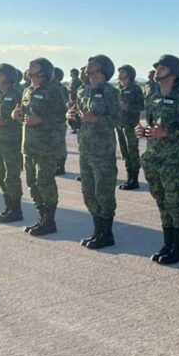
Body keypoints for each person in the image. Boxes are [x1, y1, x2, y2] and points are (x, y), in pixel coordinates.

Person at [140, 54, 179, 265]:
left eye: (162, 68)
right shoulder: (153, 97)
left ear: (173, 72)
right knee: (161, 201)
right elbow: (153, 127)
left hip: (171, 159)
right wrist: (143, 131)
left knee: (175, 202)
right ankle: (168, 243)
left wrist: (167, 133)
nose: (157, 71)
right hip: (153, 157)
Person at [68, 55, 121, 249]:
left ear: (103, 71)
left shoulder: (111, 92)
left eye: (93, 66)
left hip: (103, 150)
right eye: (88, 66)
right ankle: (97, 230)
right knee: (88, 192)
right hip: (85, 148)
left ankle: (106, 233)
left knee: (104, 191)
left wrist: (97, 119)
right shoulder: (83, 91)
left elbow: (117, 119)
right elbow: (81, 117)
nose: (88, 69)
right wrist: (73, 118)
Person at [13, 57, 64, 237]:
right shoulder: (27, 90)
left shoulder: (53, 91)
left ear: (42, 71)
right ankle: (41, 217)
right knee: (32, 182)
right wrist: (16, 114)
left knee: (45, 182)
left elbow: (61, 118)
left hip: (46, 146)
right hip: (29, 144)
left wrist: (41, 120)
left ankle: (50, 221)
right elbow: (26, 112)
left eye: (32, 65)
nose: (28, 67)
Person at [0, 63, 24, 222]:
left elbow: (23, 118)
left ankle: (16, 210)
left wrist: (6, 121)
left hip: (12, 142)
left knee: (12, 177)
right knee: (2, 176)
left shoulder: (17, 95)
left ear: (8, 78)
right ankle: (8, 207)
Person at [115, 64, 145, 190]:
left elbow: (141, 106)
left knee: (132, 151)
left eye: (122, 71)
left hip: (131, 125)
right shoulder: (118, 88)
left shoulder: (135, 88)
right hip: (119, 125)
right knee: (124, 153)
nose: (120, 74)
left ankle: (135, 179)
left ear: (129, 74)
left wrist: (128, 107)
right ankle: (129, 177)